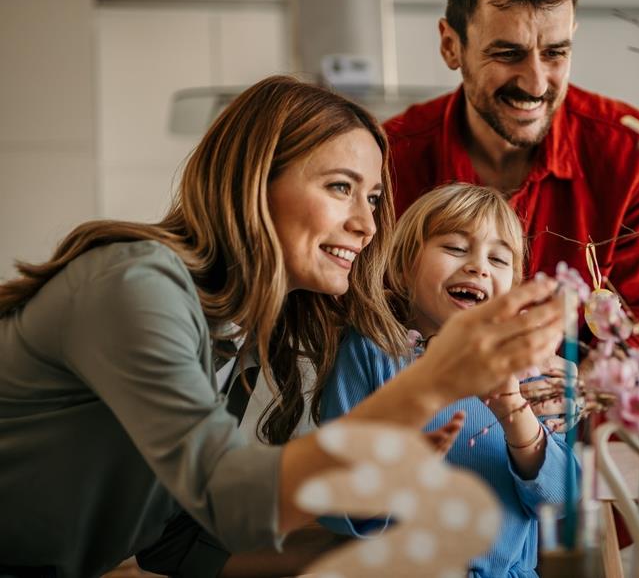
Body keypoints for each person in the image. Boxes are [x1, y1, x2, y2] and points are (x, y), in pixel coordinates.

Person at [0, 76, 565, 577]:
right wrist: (436, 381)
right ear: (255, 180)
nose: (368, 223)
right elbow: (229, 497)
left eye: (372, 197)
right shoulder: (135, 288)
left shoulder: (236, 333)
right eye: (341, 187)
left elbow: (176, 537)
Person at [384, 0, 639, 352]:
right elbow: (356, 319)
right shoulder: (388, 160)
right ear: (452, 46)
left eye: (556, 52)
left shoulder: (638, 158)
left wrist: (579, 385)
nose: (536, 83)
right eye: (508, 54)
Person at [320, 183, 578, 577]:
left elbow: (561, 500)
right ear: (406, 266)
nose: (479, 266)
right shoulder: (370, 352)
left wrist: (515, 415)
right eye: (456, 248)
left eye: (498, 258)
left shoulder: (529, 367)